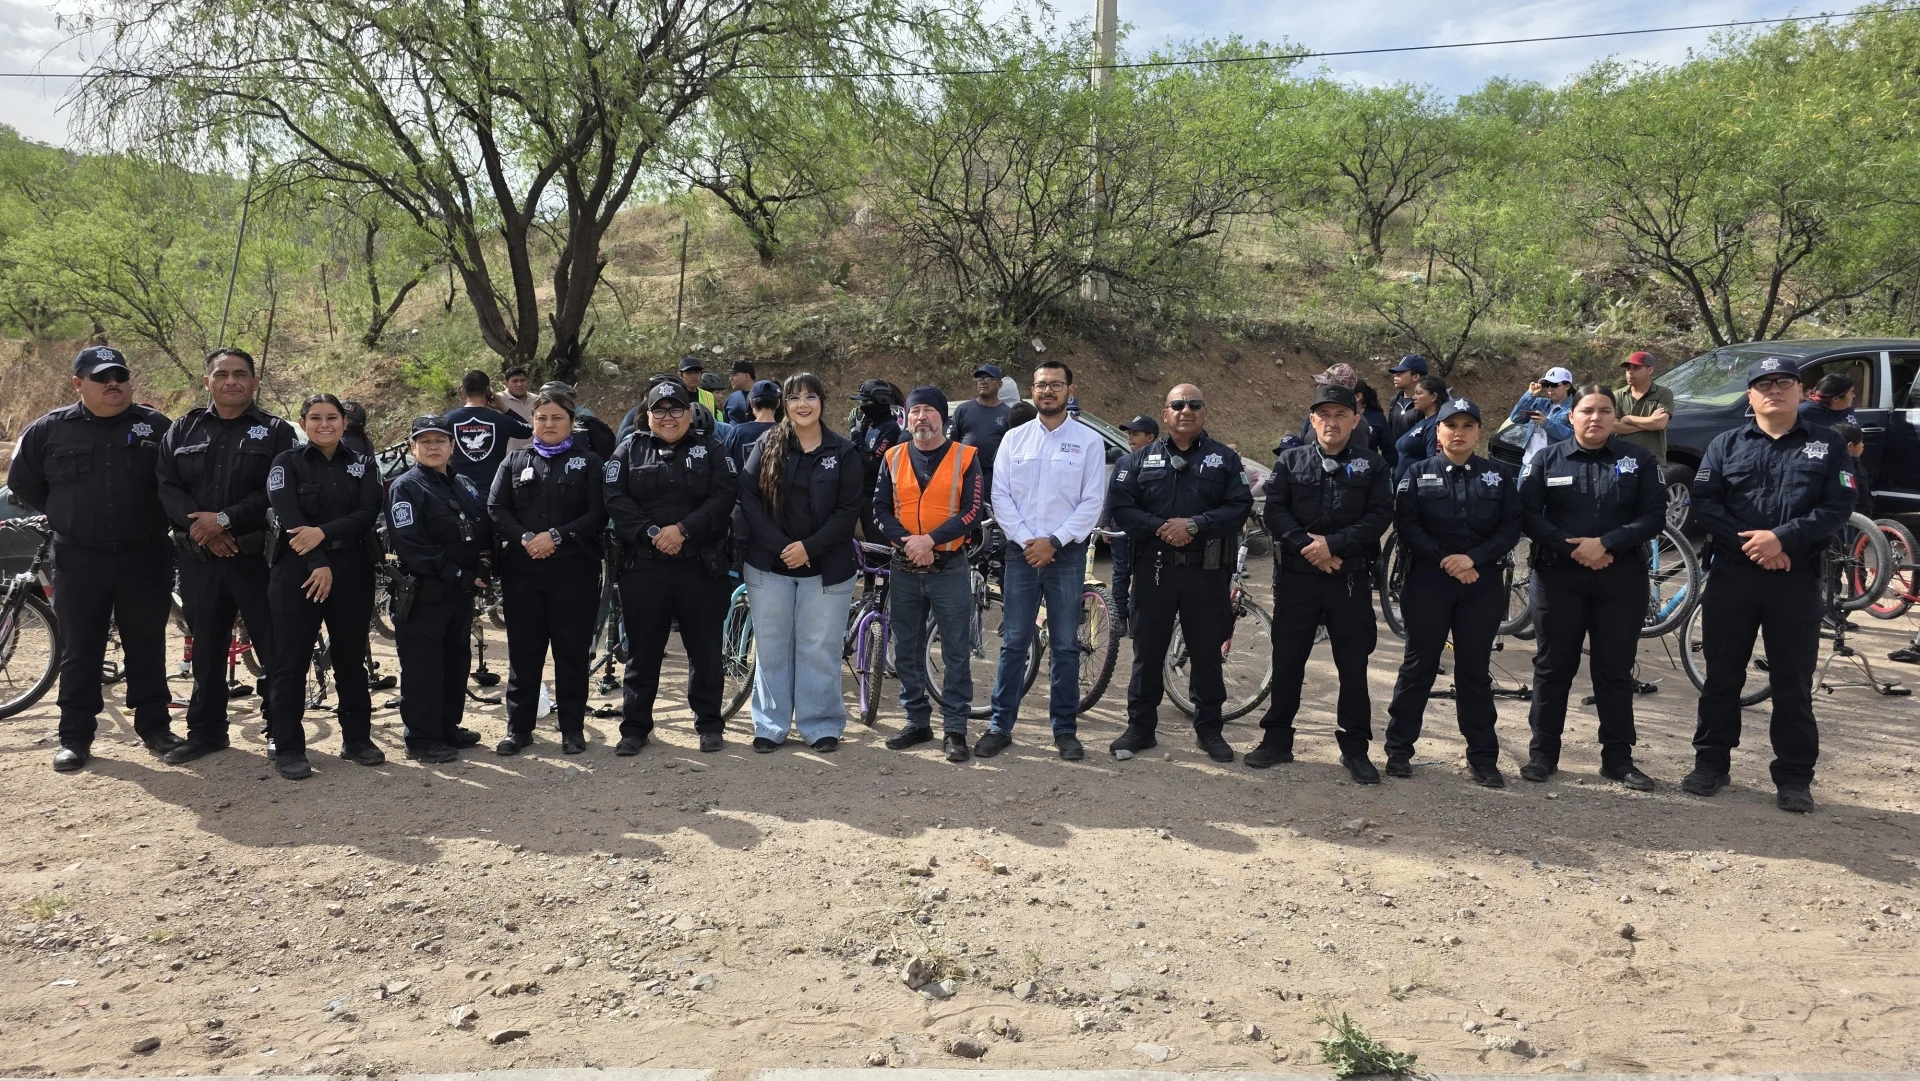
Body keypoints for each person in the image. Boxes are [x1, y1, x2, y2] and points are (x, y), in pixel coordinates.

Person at [1685, 359, 1854, 813]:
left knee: (1792, 681)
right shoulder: (1726, 444)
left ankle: (1795, 777)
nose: (1773, 390)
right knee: (1722, 676)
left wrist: (1782, 539)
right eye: (1763, 384)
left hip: (1795, 576)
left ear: (1800, 391)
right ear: (1751, 395)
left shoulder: (1828, 444)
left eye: (1783, 382)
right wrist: (1756, 546)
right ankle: (1711, 764)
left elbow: (1839, 504)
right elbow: (1704, 504)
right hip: (1734, 577)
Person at [6, 346, 179, 772]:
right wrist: (71, 514)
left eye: (119, 376)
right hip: (80, 557)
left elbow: (178, 481)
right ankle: (76, 737)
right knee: (80, 649)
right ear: (78, 384)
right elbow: (25, 485)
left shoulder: (155, 426)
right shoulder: (48, 430)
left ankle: (155, 728)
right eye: (101, 377)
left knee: (146, 643)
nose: (112, 384)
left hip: (145, 555)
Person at [1517, 385, 1666, 790]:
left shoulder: (1639, 460)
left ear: (1614, 417)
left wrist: (1606, 544)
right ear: (1571, 416)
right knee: (1552, 668)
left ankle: (1618, 759)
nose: (1595, 418)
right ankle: (1543, 755)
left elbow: (1654, 515)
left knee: (1615, 671)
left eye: (1604, 411)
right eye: (1587, 410)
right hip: (1559, 578)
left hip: (1621, 578)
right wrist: (1575, 550)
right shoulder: (1546, 460)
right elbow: (1528, 515)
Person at [156, 346, 299, 764]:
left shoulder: (275, 431)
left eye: (240, 374)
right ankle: (206, 732)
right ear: (207, 382)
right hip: (200, 558)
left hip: (256, 557)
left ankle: (280, 729)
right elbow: (166, 483)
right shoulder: (183, 429)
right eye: (222, 374)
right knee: (206, 647)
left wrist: (224, 519)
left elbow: (278, 489)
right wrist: (203, 528)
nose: (231, 381)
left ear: (255, 382)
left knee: (273, 646)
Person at [1249, 383, 1393, 779]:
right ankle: (1277, 741)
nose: (1331, 422)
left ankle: (1355, 748)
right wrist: (1308, 547)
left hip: (1348, 581)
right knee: (1288, 661)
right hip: (1298, 579)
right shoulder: (1291, 462)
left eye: (1340, 415)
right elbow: (1275, 512)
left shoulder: (1373, 465)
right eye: (1323, 415)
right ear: (1312, 420)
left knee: (1352, 666)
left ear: (1355, 420)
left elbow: (1380, 515)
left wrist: (1333, 545)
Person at [1107, 384, 1253, 760]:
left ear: (1204, 412)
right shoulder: (1138, 461)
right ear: (1166, 413)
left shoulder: (1225, 460)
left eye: (1194, 404)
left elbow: (1239, 507)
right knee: (1147, 652)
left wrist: (1195, 524)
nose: (1186, 410)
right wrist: (1161, 527)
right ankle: (1140, 728)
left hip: (1205, 574)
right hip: (1154, 570)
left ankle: (1209, 731)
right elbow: (1121, 508)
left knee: (1205, 653)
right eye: (1178, 405)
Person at [1381, 398, 1522, 787]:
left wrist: (1472, 559)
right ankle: (1398, 751)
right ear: (1438, 432)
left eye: (1467, 425)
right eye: (1451, 425)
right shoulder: (1416, 473)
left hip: (1481, 584)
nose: (1458, 432)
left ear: (1478, 431)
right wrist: (1447, 560)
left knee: (1474, 672)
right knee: (1418, 666)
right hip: (1428, 582)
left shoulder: (1498, 476)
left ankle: (1483, 758)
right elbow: (1407, 526)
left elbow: (1511, 527)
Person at [979, 361, 1109, 761]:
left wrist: (1054, 541)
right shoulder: (1014, 439)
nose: (1047, 391)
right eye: (1040, 385)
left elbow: (1092, 503)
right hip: (1021, 554)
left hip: (1066, 555)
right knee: (1015, 642)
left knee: (1067, 645)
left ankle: (1065, 729)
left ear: (1070, 389)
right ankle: (1000, 726)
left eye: (1055, 385)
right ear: (1031, 392)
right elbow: (1000, 496)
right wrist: (1027, 541)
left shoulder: (1088, 442)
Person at [605, 380, 739, 754]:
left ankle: (709, 724)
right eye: (659, 410)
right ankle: (634, 727)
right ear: (646, 416)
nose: (668, 417)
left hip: (700, 565)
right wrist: (652, 533)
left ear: (689, 412)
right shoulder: (628, 450)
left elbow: (723, 496)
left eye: (676, 408)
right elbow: (615, 498)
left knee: (705, 650)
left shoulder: (712, 448)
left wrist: (682, 530)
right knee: (643, 651)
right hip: (644, 567)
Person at [737, 374, 863, 753]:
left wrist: (808, 548)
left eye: (810, 396)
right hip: (768, 565)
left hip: (826, 568)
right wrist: (781, 547)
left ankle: (820, 722)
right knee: (772, 645)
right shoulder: (767, 443)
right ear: (784, 405)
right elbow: (749, 498)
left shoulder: (843, 452)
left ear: (823, 402)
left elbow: (847, 511)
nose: (802, 404)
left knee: (818, 647)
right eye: (794, 398)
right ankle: (770, 724)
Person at [263, 393, 385, 779]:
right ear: (303, 422)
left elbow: (367, 513)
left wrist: (323, 534)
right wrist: (318, 561)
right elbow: (288, 516)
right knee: (290, 660)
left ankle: (357, 740)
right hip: (298, 571)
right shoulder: (287, 463)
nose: (325, 424)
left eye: (332, 417)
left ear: (345, 423)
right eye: (315, 418)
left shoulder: (363, 465)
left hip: (352, 568)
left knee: (350, 658)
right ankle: (289, 748)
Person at [487, 390, 606, 756]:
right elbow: (495, 506)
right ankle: (518, 729)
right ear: (532, 423)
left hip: (574, 573)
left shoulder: (588, 463)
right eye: (541, 418)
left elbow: (599, 513)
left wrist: (556, 536)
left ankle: (572, 729)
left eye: (556, 418)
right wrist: (526, 538)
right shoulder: (514, 460)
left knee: (571, 655)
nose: (548, 424)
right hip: (523, 572)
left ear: (571, 422)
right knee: (524, 654)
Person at [874, 386, 987, 762]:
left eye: (929, 410)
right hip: (904, 566)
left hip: (949, 567)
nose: (921, 417)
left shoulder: (965, 457)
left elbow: (971, 512)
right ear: (905, 417)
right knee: (906, 647)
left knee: (955, 650)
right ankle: (916, 720)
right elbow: (880, 511)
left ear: (944, 417)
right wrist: (909, 542)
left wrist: (931, 541)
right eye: (915, 410)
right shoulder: (892, 457)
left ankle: (954, 729)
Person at [386, 415, 490, 763]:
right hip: (424, 593)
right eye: (425, 441)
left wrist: (486, 563)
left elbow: (482, 526)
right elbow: (411, 543)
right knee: (423, 667)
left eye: (440, 440)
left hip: (459, 594)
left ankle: (446, 726)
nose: (433, 447)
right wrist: (459, 573)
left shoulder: (464, 482)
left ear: (452, 445)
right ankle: (421, 737)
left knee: (454, 662)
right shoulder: (406, 486)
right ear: (413, 446)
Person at [446, 369, 533, 496]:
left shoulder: (447, 420)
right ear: (488, 392)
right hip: (495, 489)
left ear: (462, 392)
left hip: (460, 490)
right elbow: (527, 430)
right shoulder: (501, 420)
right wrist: (504, 408)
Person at [1109, 415, 1159, 637]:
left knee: (1143, 574)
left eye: (1135, 434)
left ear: (1150, 437)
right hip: (1120, 527)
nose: (1130, 438)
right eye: (1128, 434)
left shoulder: (1160, 460)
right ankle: (1120, 617)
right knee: (1120, 573)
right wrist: (1105, 524)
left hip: (1146, 529)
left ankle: (1138, 619)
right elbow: (1112, 494)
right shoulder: (1122, 461)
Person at [848, 379, 902, 541]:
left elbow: (873, 462)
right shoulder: (871, 424)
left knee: (877, 539)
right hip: (863, 493)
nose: (862, 406)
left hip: (876, 496)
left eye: (866, 402)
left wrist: (856, 434)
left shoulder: (890, 428)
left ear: (880, 401)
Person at [949, 363, 1014, 494]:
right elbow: (952, 444)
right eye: (980, 379)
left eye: (988, 378)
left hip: (994, 478)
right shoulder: (963, 410)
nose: (983, 382)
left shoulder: (1008, 413)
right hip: (965, 476)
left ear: (999, 384)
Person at [1612, 351, 1673, 464]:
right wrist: (1649, 423)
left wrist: (1628, 419)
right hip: (1624, 461)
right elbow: (1612, 427)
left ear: (1649, 370)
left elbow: (1659, 423)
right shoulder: (1618, 395)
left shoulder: (1663, 393)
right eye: (1628, 368)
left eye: (1636, 368)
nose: (1630, 372)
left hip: (1653, 460)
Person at [1509, 366, 1576, 465]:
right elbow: (1515, 418)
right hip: (1529, 462)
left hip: (1555, 465)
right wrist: (1530, 394)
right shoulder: (1540, 403)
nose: (1549, 389)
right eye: (1546, 385)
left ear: (1567, 386)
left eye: (1554, 385)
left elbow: (1574, 436)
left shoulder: (1575, 408)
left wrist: (1546, 423)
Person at [1393, 374, 1448, 473]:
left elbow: (1433, 462)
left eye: (1419, 393)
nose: (1414, 397)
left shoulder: (1436, 424)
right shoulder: (1423, 422)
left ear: (1433, 396)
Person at [724, 379, 781, 468]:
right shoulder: (786, 432)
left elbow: (723, 462)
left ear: (751, 403)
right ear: (778, 404)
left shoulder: (737, 432)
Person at [1385, 354, 1428, 445]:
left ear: (1416, 376)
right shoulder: (1395, 401)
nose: (1395, 375)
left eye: (1401, 372)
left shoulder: (1427, 403)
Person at [1833, 422, 1872, 516]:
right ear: (1850, 446)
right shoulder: (1847, 470)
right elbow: (1853, 499)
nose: (1863, 445)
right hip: (1853, 520)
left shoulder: (1830, 463)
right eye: (1861, 441)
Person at [1353, 381, 1392, 462]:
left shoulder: (1377, 418)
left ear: (1358, 396)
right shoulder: (1336, 418)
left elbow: (1390, 450)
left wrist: (1379, 470)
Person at [500, 365, 536, 452]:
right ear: (506, 383)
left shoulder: (537, 400)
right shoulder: (499, 400)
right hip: (509, 456)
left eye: (522, 380)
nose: (519, 384)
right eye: (515, 381)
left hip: (535, 454)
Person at [723, 360, 756, 424]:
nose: (730, 379)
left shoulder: (765, 395)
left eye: (734, 375)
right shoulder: (731, 398)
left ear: (746, 376)